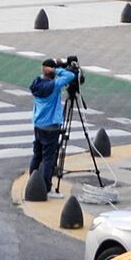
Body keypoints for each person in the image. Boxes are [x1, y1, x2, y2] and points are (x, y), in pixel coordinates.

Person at [28, 57, 80, 186]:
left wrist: (51, 70)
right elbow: (70, 76)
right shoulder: (54, 86)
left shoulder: (37, 83)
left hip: (38, 124)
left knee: (37, 154)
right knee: (48, 158)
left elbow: (47, 75)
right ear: (51, 71)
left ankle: (33, 184)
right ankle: (46, 186)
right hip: (51, 126)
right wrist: (57, 70)